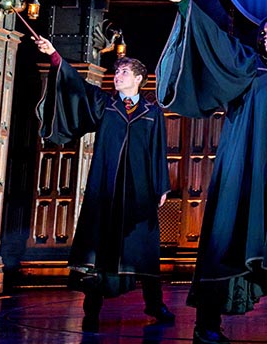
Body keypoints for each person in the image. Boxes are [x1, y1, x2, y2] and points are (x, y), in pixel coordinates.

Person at [156, 0, 267, 344]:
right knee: (229, 240)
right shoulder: (251, 67)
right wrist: (186, 4)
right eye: (264, 33)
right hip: (247, 170)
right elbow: (218, 43)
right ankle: (206, 324)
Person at [35, 38, 173, 332]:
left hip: (139, 189)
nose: (117, 76)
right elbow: (77, 86)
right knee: (99, 247)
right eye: (117, 71)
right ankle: (92, 312)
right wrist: (54, 55)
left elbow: (159, 150)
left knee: (143, 248)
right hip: (107, 187)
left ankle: (154, 303)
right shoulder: (105, 104)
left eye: (124, 72)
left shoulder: (152, 112)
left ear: (138, 78)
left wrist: (162, 185)